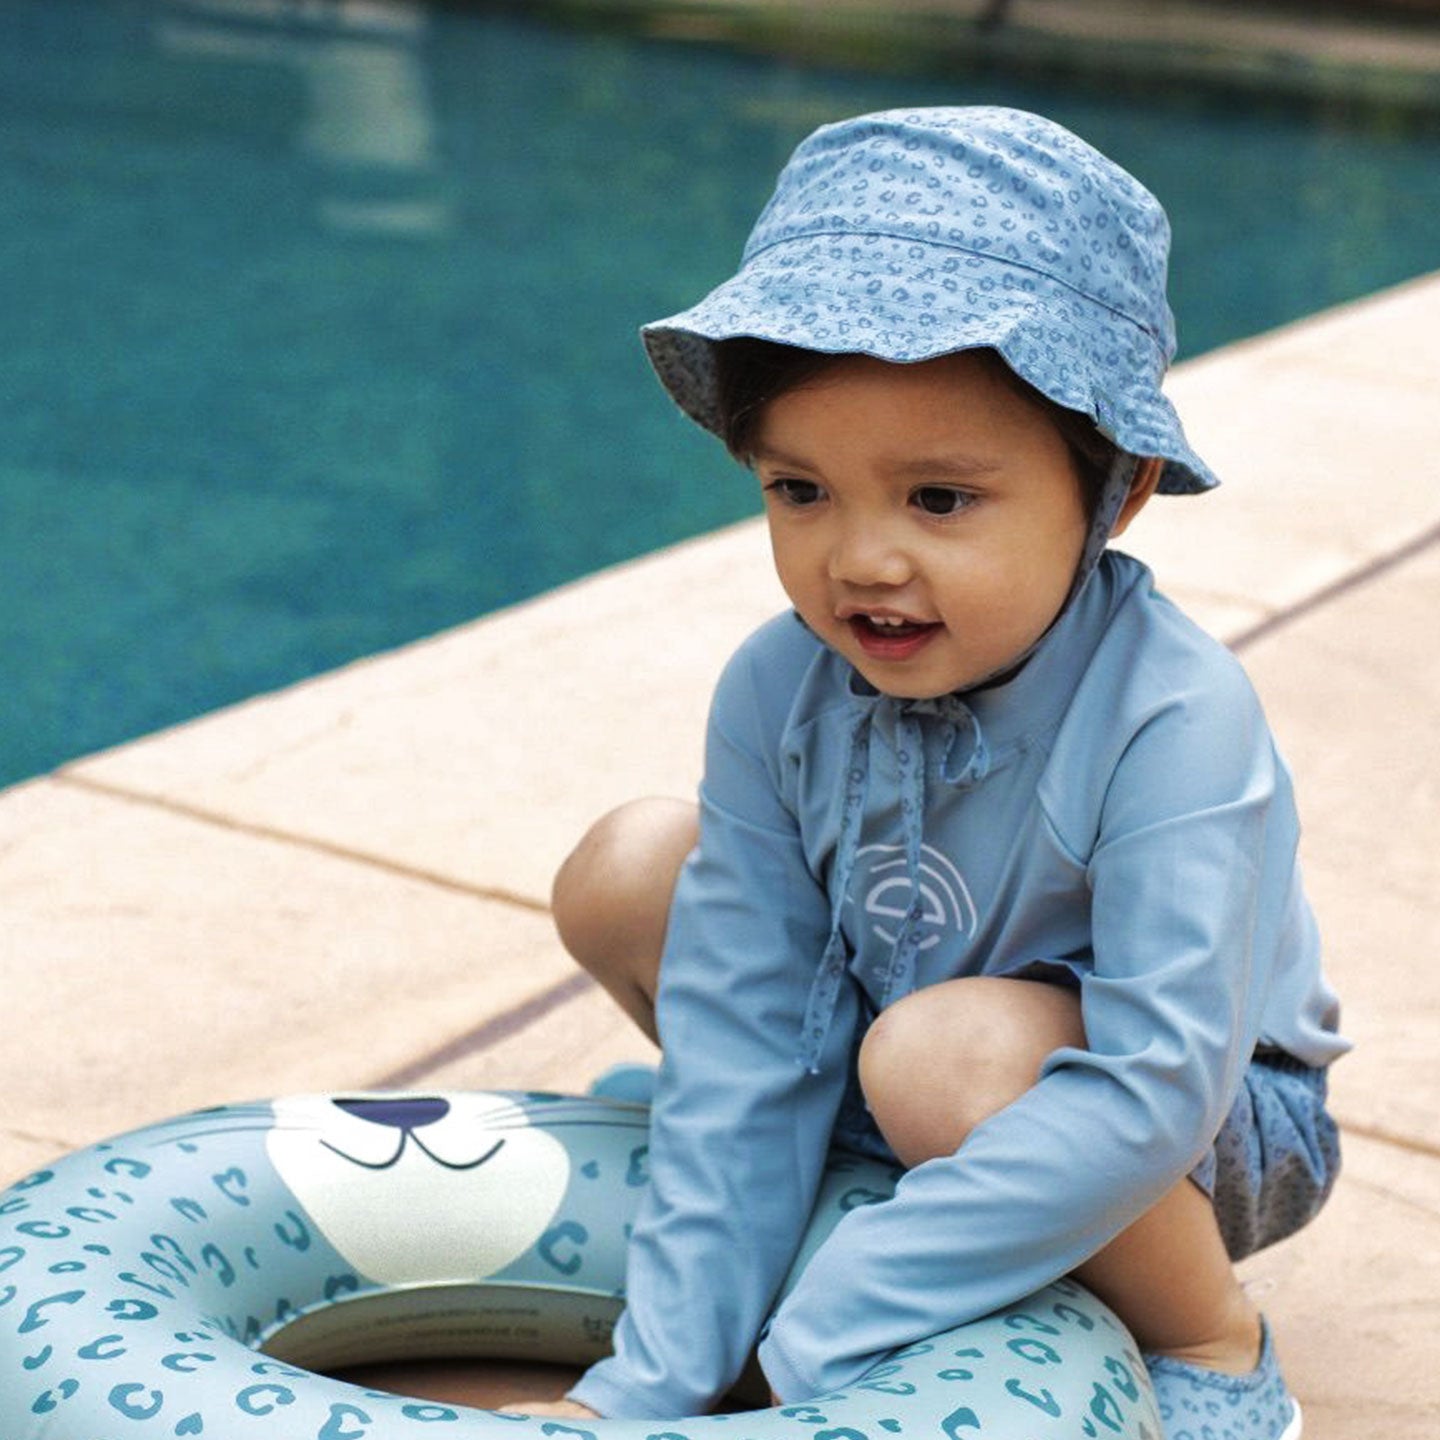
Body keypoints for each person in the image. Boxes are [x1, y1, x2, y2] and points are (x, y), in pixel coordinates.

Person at [514, 107, 1346, 1440]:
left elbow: (1155, 1082)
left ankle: (1214, 1338)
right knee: (631, 869)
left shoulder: (1175, 716)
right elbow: (742, 1024)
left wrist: (815, 1336)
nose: (861, 560)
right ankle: (870, 1151)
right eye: (800, 490)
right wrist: (647, 1387)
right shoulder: (776, 686)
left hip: (1196, 1114)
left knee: (940, 1064)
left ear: (1118, 489)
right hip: (891, 1014)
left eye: (939, 500)